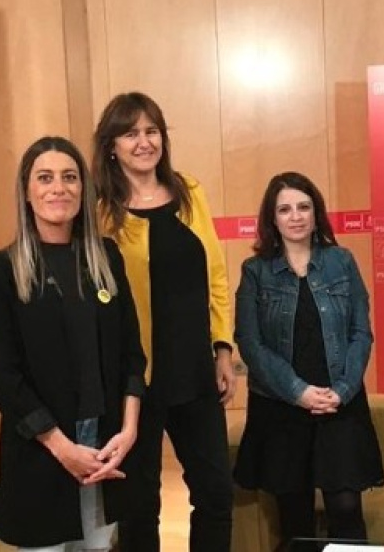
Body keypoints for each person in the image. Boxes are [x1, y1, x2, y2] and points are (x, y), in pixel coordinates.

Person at [0, 136, 146, 551]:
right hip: (42, 447)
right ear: (26, 192)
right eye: (45, 178)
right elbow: (3, 378)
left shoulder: (106, 258)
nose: (58, 188)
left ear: (83, 189)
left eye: (70, 177)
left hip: (106, 442)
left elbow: (131, 354)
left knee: (99, 547)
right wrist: (62, 448)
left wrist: (129, 430)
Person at [91, 92, 236, 552]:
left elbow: (216, 274)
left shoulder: (189, 192)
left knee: (215, 494)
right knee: (138, 507)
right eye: (130, 133)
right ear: (111, 146)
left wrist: (223, 348)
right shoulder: (100, 211)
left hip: (194, 371)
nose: (144, 142)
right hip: (135, 380)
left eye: (151, 131)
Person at [233, 171, 384, 545]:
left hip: (339, 402)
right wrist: (297, 391)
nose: (296, 216)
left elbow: (361, 333)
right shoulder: (255, 271)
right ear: (272, 219)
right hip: (282, 406)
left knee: (346, 507)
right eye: (285, 209)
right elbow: (250, 343)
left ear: (316, 214)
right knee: (294, 516)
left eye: (304, 207)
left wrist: (344, 389)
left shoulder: (341, 261)